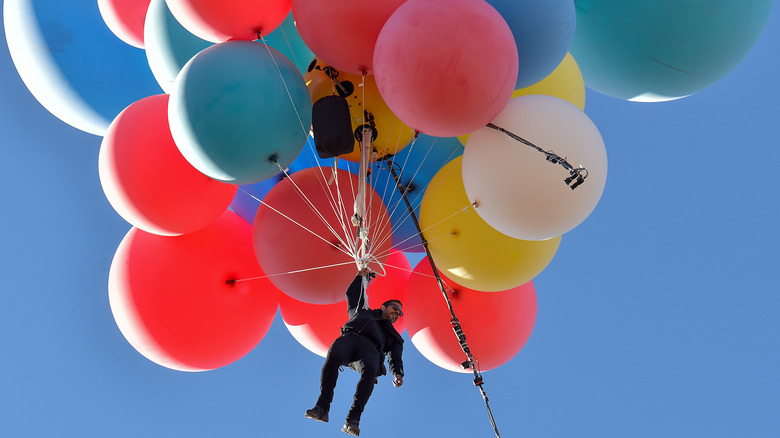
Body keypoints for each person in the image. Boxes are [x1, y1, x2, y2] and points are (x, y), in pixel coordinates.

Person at [305, 268, 405, 436]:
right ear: (383, 307)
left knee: (370, 372)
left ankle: (353, 420)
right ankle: (322, 407)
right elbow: (353, 293)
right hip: (350, 338)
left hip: (371, 350)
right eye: (395, 308)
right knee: (333, 356)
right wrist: (360, 277)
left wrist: (398, 373)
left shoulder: (395, 337)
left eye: (400, 313)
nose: (396, 313)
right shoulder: (362, 311)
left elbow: (395, 357)